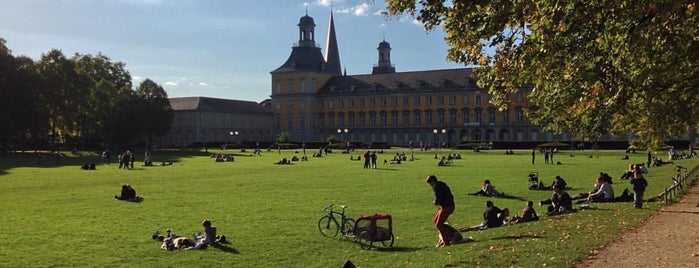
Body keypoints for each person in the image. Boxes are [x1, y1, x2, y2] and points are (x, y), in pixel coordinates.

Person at [425, 175, 456, 247]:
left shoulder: (436, 187)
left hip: (447, 207)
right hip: (448, 206)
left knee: (438, 224)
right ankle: (452, 231)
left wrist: (435, 202)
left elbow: (438, 197)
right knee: (435, 220)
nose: (430, 185)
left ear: (432, 181)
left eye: (430, 183)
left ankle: (446, 242)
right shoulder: (441, 184)